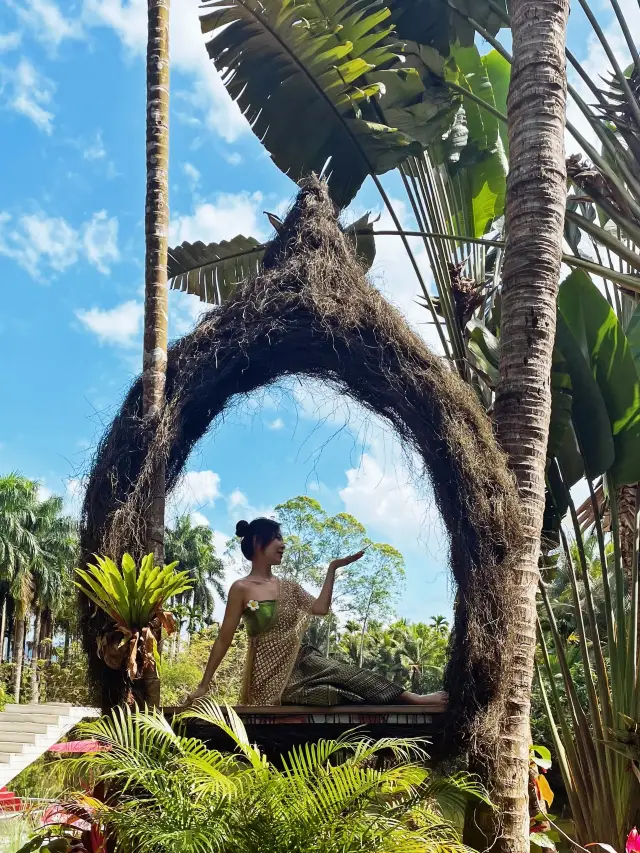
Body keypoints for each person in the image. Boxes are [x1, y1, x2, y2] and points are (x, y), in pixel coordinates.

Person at [185, 517, 448, 708]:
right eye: (277, 537)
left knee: (352, 676)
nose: (283, 544)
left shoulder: (289, 586)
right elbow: (224, 639)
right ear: (257, 541)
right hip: (269, 679)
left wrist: (333, 568)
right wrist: (204, 684)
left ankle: (414, 699)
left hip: (305, 663)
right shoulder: (241, 588)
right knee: (331, 696)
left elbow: (320, 609)